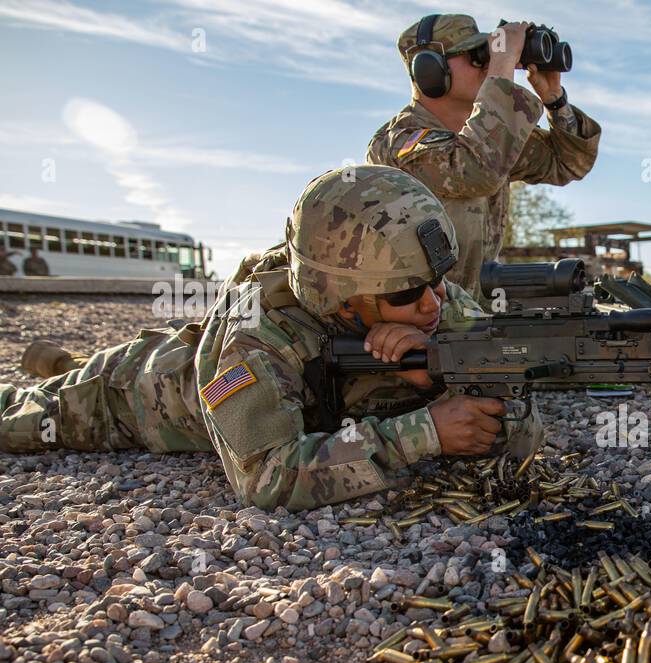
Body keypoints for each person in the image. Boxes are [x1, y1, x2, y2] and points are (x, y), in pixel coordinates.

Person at [0, 165, 541, 511]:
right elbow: (264, 477)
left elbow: (524, 423)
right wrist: (423, 433)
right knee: (27, 417)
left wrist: (445, 375)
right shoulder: (256, 334)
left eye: (439, 281)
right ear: (342, 298)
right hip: (142, 394)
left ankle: (63, 360)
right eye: (407, 294)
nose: (434, 303)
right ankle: (67, 369)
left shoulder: (429, 299)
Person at [367, 13, 600, 299]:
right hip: (417, 319)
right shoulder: (397, 143)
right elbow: (476, 169)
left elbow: (567, 164)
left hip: (472, 318)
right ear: (430, 70)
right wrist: (502, 67)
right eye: (476, 56)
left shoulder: (487, 136)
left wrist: (555, 99)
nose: (488, 64)